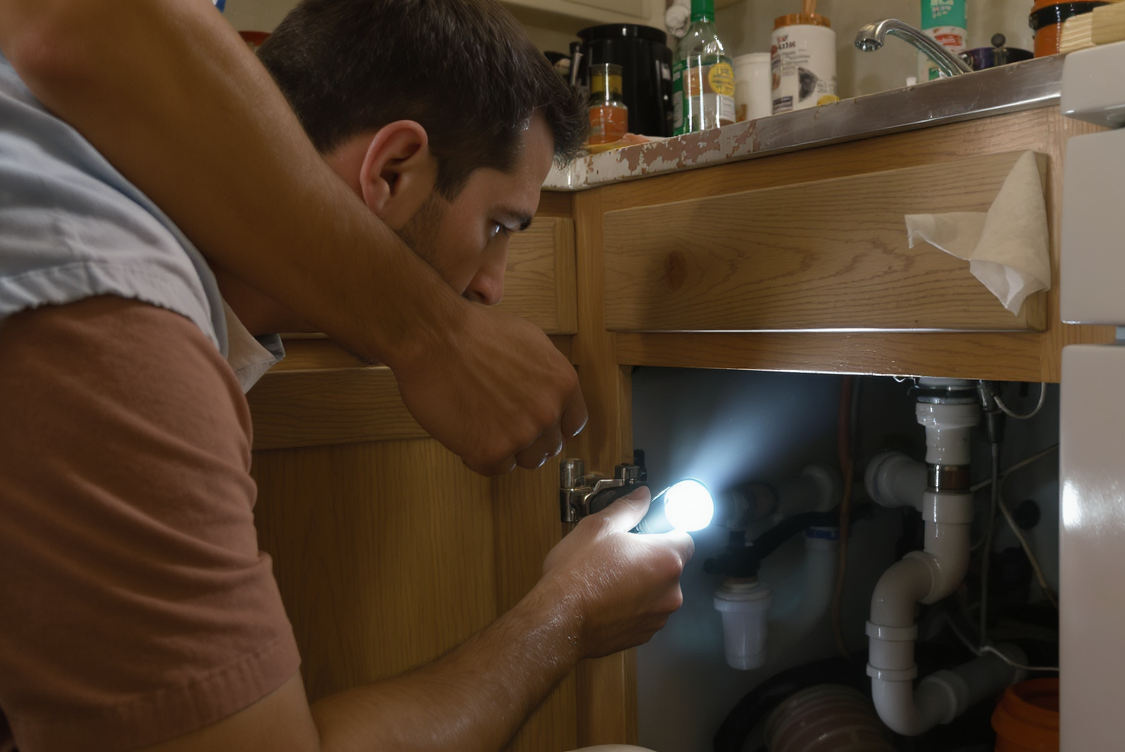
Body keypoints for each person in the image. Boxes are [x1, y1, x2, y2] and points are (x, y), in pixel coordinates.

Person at [0, 1, 692, 751]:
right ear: (392, 170)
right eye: (498, 227)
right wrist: (568, 613)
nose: (493, 288)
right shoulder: (114, 321)